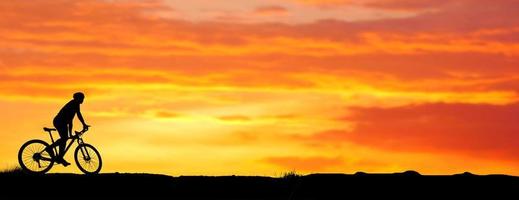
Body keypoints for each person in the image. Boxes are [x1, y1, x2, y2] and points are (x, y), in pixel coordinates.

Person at [51, 92, 89, 166]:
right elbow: (75, 117)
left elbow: (71, 119)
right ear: (77, 98)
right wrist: (83, 124)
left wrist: (71, 133)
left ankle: (59, 157)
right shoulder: (73, 104)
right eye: (82, 98)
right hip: (59, 121)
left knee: (64, 139)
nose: (83, 100)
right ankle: (50, 149)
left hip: (62, 122)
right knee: (64, 138)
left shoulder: (75, 104)